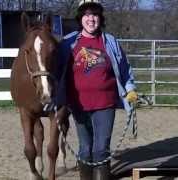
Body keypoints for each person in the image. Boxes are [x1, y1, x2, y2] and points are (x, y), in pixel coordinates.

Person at [54, 0, 138, 179]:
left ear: (100, 18)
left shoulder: (110, 42)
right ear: (80, 18)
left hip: (105, 104)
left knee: (101, 149)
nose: (91, 19)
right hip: (78, 105)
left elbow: (124, 68)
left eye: (95, 15)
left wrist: (130, 88)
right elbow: (55, 69)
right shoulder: (67, 43)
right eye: (86, 15)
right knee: (85, 150)